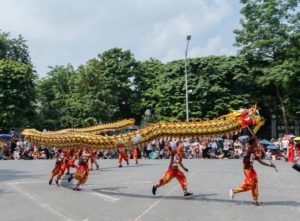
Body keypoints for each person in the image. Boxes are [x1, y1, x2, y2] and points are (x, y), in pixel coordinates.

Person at [229, 136, 276, 205]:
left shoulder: (254, 149)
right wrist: (259, 148)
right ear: (254, 142)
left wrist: (270, 165)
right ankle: (234, 191)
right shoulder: (251, 148)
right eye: (257, 140)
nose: (258, 142)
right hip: (247, 167)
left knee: (255, 183)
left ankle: (255, 199)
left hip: (251, 168)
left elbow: (259, 160)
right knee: (250, 183)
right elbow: (252, 150)